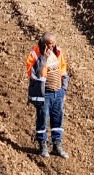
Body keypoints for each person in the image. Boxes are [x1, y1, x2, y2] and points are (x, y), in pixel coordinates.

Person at [24, 31, 70, 159]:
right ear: (43, 43)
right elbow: (34, 74)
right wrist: (43, 58)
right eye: (49, 44)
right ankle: (42, 144)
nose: (52, 46)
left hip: (58, 92)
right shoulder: (34, 55)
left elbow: (64, 70)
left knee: (58, 118)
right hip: (44, 94)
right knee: (42, 118)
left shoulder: (58, 52)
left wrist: (63, 90)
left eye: (53, 43)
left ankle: (57, 145)